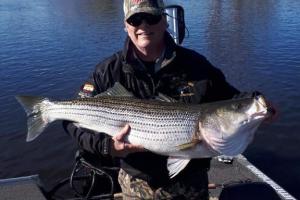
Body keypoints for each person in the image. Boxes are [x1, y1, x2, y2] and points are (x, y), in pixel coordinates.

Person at [63, 0, 241, 199]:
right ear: (125, 25)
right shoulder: (108, 71)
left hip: (190, 184)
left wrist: (258, 101)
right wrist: (107, 147)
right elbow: (71, 121)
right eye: (136, 19)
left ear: (165, 21)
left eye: (151, 18)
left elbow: (233, 98)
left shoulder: (196, 65)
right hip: (136, 182)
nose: (144, 26)